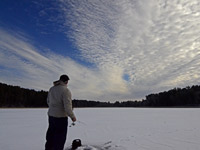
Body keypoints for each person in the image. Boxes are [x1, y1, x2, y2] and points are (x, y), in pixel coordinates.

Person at [45, 74, 77, 150]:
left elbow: (48, 101)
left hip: (51, 116)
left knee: (50, 138)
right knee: (59, 139)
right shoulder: (66, 90)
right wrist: (72, 116)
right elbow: (67, 106)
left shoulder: (52, 89)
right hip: (61, 118)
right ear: (66, 81)